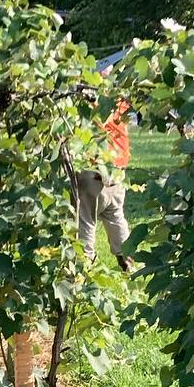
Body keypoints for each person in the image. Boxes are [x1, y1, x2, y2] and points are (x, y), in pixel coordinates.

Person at [76, 97, 132, 272]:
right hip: (117, 171)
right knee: (115, 217)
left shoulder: (88, 99)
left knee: (85, 220)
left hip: (93, 171)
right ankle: (128, 262)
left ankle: (84, 266)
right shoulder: (121, 102)